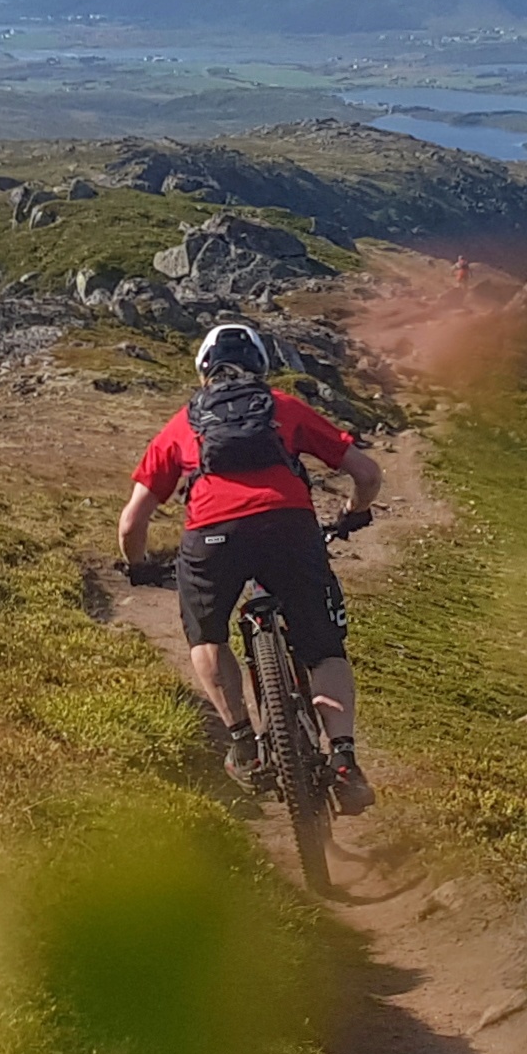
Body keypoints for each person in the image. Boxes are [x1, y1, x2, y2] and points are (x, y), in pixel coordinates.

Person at [118, 321, 381, 813]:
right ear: (262, 367)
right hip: (290, 529)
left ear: (203, 374)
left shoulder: (183, 423)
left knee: (208, 637)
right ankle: (343, 758)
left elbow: (132, 521)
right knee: (323, 648)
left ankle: (242, 741)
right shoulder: (284, 407)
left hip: (212, 537)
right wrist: (353, 514)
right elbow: (366, 473)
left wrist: (139, 568)